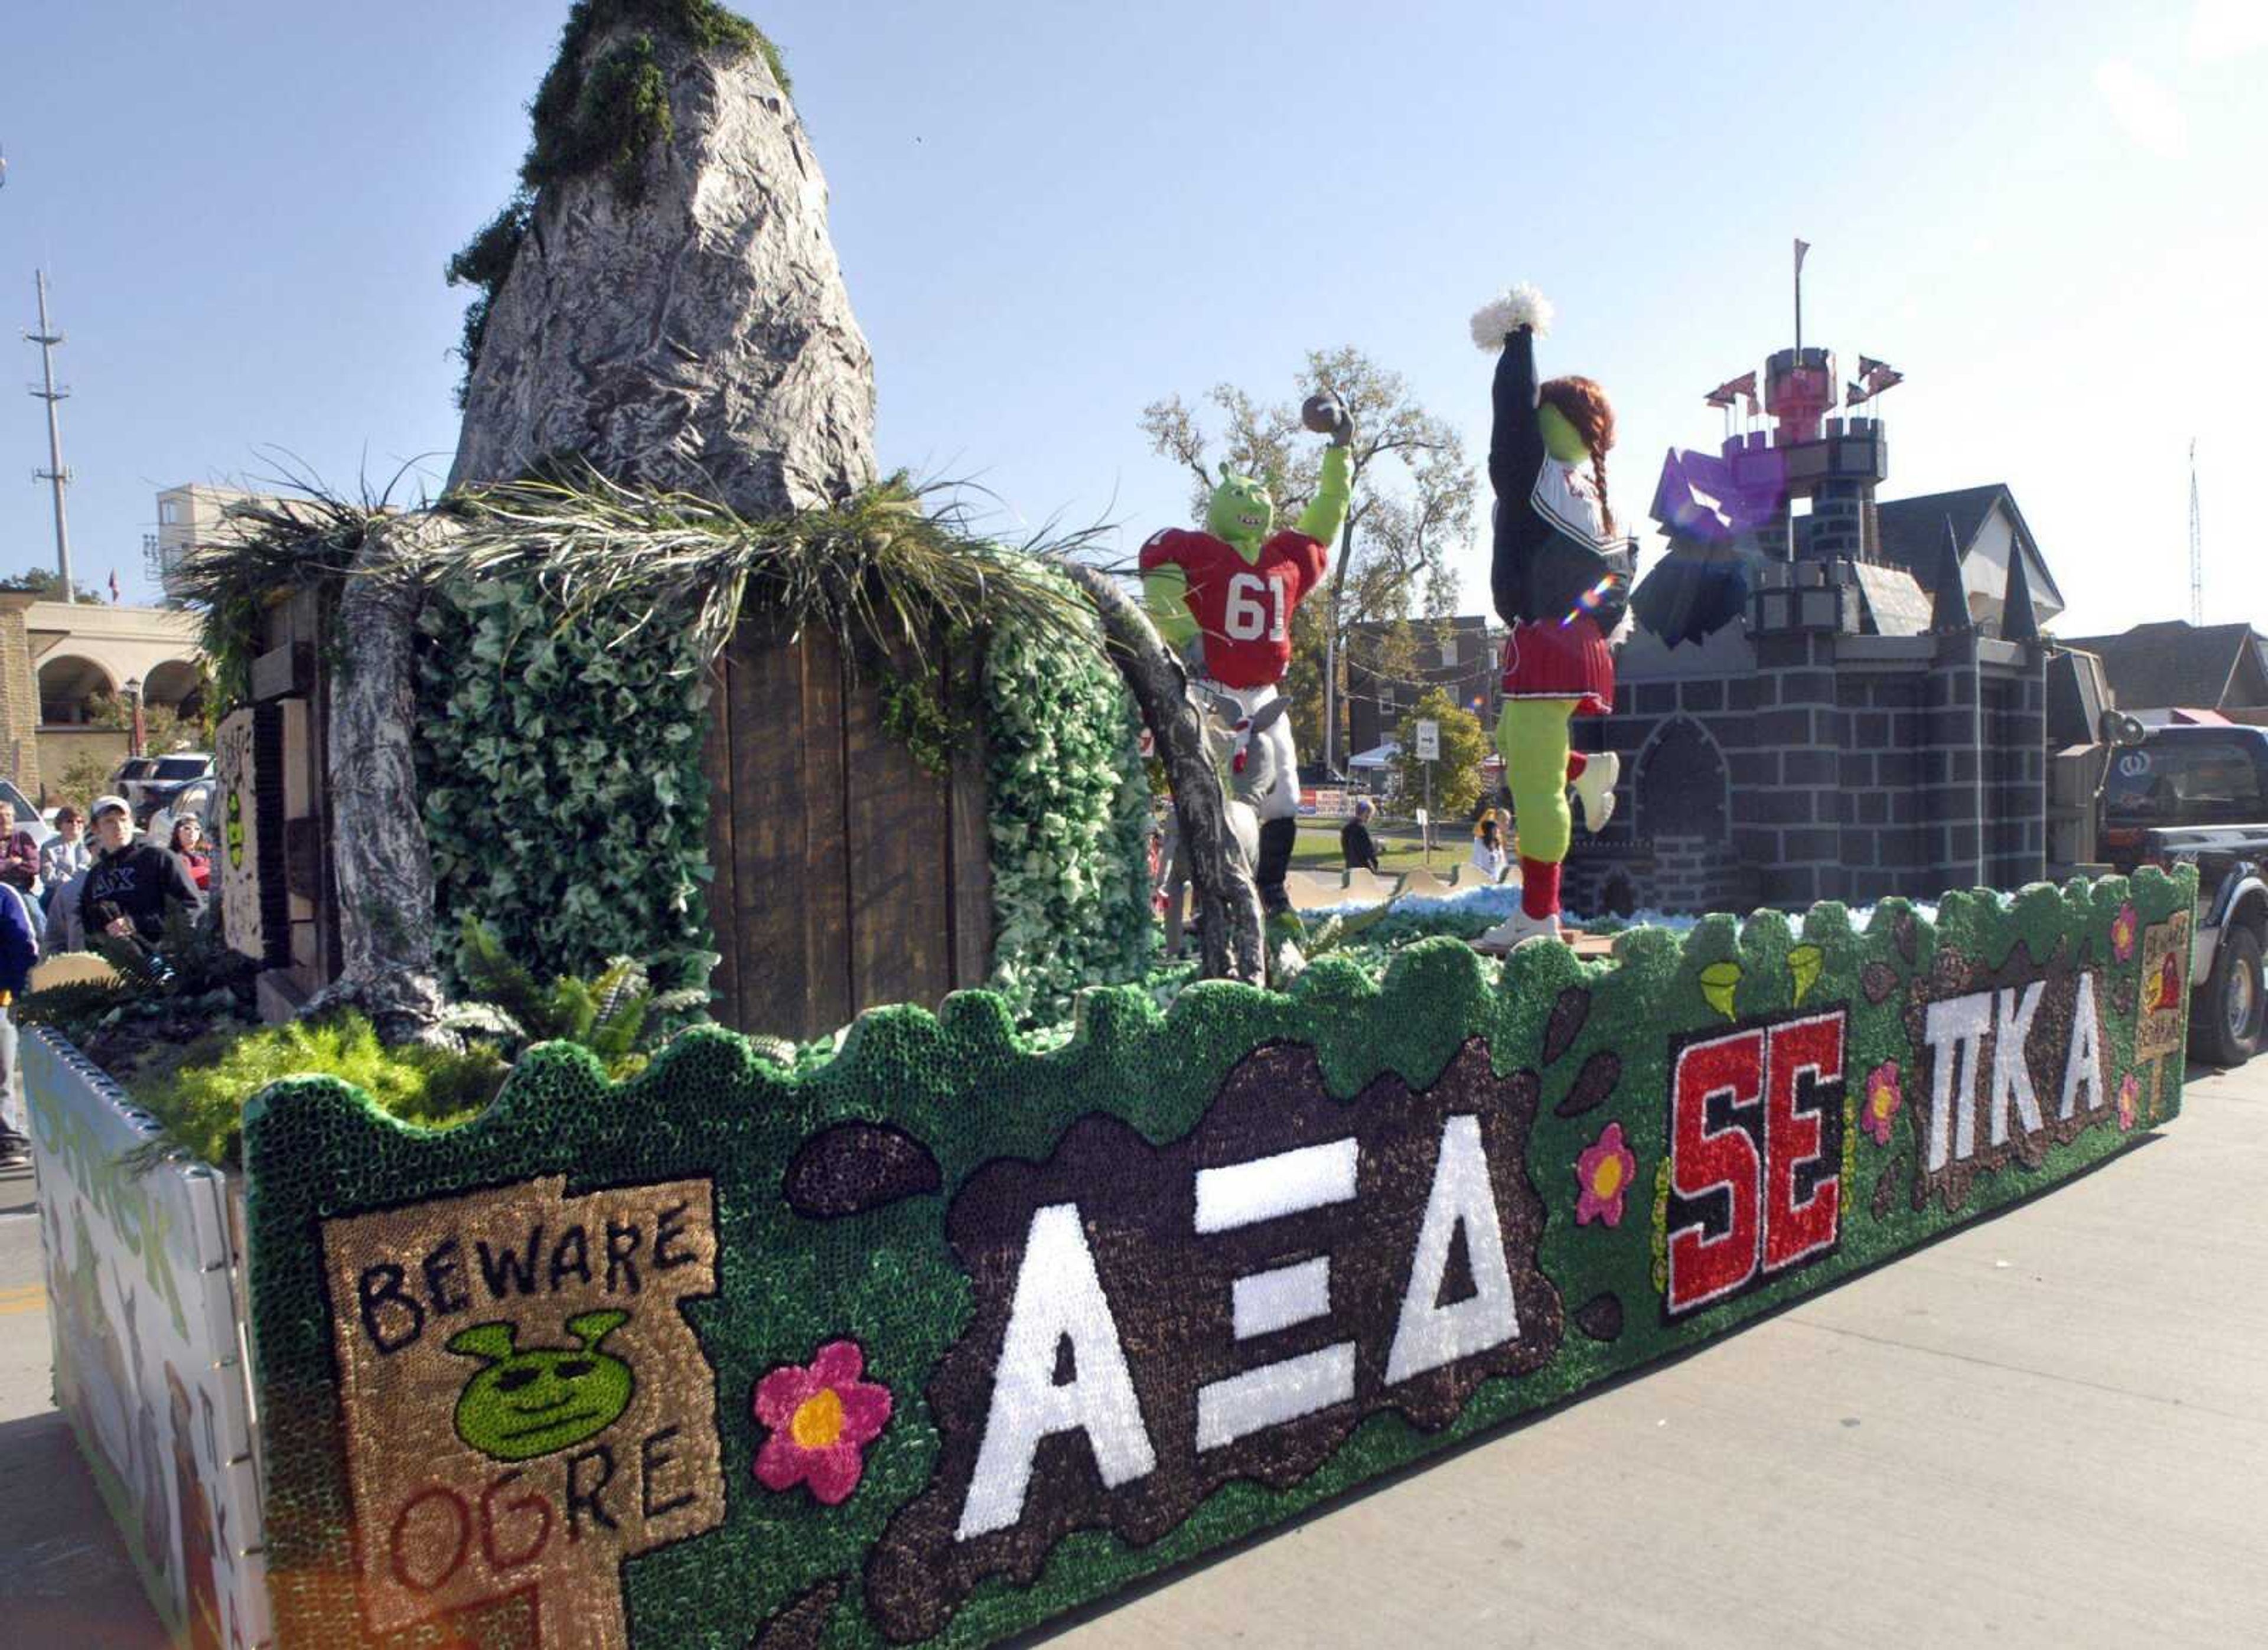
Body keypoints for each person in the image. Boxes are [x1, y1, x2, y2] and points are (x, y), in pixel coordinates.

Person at [1140, 395, 1354, 933]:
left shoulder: (1285, 555)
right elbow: (1159, 577)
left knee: (1283, 794)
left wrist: (1340, 453)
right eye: (1239, 493)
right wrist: (1187, 638)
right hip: (1213, 693)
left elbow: (1327, 516)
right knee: (1220, 799)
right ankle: (1212, 901)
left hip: (1266, 695)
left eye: (1258, 494)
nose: (1251, 501)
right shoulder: (1198, 551)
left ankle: (1271, 892)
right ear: (1218, 504)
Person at [1471, 284, 1627, 948]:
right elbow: (1617, 583)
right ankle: (1587, 771)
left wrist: (1518, 338)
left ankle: (1539, 915)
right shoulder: (1594, 490)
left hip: (1547, 642)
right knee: (1515, 746)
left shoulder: (1536, 467)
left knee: (1532, 784)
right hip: (1575, 640)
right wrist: (1586, 620)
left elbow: (1510, 412)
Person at [81, 794, 201, 948]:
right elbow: (89, 931)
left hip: (166, 960)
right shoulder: (95, 876)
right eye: (109, 821)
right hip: (116, 965)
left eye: (123, 819)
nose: (119, 826)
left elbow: (192, 909)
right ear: (95, 829)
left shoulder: (159, 859)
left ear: (132, 822)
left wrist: (135, 923)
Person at [0, 872, 36, 1170]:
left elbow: (23, 944)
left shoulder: (4, 895)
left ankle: (8, 1137)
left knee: (1, 1074)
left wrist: (16, 989)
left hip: (0, 999)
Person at [40, 804, 90, 914]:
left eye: (79, 821)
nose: (75, 824)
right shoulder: (49, 847)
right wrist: (68, 884)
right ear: (60, 824)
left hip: (87, 890)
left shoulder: (92, 844)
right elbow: (47, 877)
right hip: (57, 892)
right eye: (70, 821)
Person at [170, 816, 212, 891]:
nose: (193, 832)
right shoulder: (174, 857)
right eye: (187, 828)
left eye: (197, 829)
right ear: (177, 832)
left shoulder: (209, 853)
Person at [1341, 798, 1383, 873]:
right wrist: (1375, 864)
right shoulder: (1361, 829)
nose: (1370, 818)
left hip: (1350, 866)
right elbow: (1368, 851)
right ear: (1366, 813)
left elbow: (1346, 849)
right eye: (1370, 815)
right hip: (1363, 868)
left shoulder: (1347, 828)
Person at [1472, 809, 1508, 883]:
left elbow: (1503, 863)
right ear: (1488, 831)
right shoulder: (1479, 842)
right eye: (1495, 830)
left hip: (1496, 879)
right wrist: (1482, 878)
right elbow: (1476, 862)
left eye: (1497, 830)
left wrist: (1504, 876)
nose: (1497, 832)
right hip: (1483, 880)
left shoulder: (1498, 844)